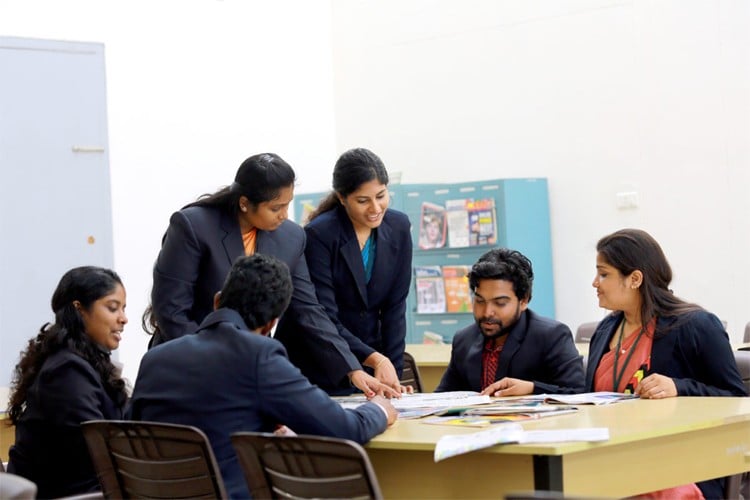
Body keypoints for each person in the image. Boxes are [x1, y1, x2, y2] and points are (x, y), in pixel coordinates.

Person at [129, 253, 398, 500]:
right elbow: (345, 429)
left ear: (217, 301)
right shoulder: (259, 355)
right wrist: (379, 410)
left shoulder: (155, 359)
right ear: (272, 322)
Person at [145, 152, 400, 397]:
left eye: (287, 204)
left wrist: (352, 368)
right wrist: (216, 363)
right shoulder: (193, 226)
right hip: (187, 367)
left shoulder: (291, 237)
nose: (285, 215)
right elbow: (171, 311)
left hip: (247, 371)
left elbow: (309, 309)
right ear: (244, 203)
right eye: (276, 207)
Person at [587, 228, 747, 500]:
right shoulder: (605, 330)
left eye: (604, 274)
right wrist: (534, 388)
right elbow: (592, 399)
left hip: (679, 469)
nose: (594, 282)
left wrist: (679, 387)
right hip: (612, 461)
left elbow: (738, 399)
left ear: (635, 278)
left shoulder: (696, 326)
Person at [282, 148, 412, 394]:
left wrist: (391, 374)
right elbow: (323, 315)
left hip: (371, 363)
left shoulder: (399, 226)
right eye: (363, 201)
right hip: (322, 364)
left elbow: (396, 307)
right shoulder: (320, 235)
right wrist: (375, 359)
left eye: (381, 196)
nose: (375, 208)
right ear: (342, 198)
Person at [6, 266, 128, 498]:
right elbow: (100, 451)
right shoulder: (66, 371)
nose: (123, 318)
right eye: (113, 308)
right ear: (80, 310)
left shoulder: (83, 363)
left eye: (123, 308)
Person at [436, 247, 584, 395]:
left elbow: (577, 392)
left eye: (500, 303)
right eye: (480, 301)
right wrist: (414, 400)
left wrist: (532, 388)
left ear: (524, 300)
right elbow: (444, 396)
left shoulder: (551, 336)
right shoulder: (464, 339)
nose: (487, 312)